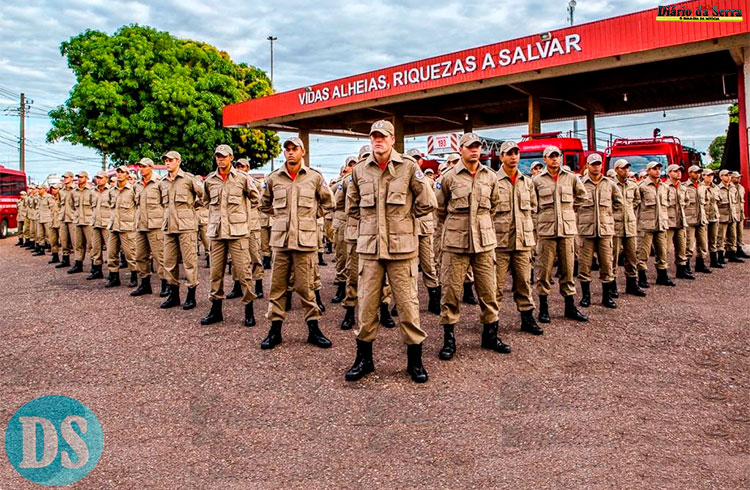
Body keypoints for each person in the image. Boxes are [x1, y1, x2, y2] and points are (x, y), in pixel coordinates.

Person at [344, 120, 434, 383]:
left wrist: (404, 221)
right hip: (370, 250)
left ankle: (414, 362)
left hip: (402, 250)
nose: (378, 141)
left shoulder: (408, 167)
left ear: (393, 139)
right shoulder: (360, 171)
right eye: (374, 137)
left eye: (383, 137)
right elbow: (352, 207)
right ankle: (364, 360)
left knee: (408, 307)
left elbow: (427, 202)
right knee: (367, 307)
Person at [435, 132, 510, 361]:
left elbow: (494, 206)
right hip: (456, 243)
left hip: (484, 242)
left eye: (477, 147)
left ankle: (490, 335)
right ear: (461, 150)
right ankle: (449, 340)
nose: (475, 150)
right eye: (470, 147)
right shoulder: (449, 177)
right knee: (451, 291)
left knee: (489, 290)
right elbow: (439, 209)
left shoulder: (490, 176)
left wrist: (481, 225)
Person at [258, 137, 334, 349]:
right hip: (281, 243)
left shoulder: (314, 178)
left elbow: (329, 203)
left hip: (305, 242)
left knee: (306, 287)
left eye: (294, 149)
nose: (290, 153)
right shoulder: (274, 178)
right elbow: (264, 204)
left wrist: (310, 217)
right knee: (277, 287)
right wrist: (281, 217)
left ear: (303, 152)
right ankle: (275, 331)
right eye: (287, 149)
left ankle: (314, 330)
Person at [200, 145, 259, 327]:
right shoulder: (210, 180)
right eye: (218, 156)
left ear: (231, 158)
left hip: (237, 232)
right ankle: (216, 310)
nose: (221, 160)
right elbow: (205, 200)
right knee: (215, 273)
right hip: (217, 233)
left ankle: (249, 310)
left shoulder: (242, 178)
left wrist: (243, 218)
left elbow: (256, 198)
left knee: (243, 272)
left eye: (224, 157)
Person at [338, 145, 396, 330]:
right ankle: (350, 311)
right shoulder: (351, 179)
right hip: (357, 235)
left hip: (381, 234)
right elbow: (341, 204)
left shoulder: (387, 175)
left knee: (383, 277)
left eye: (365, 157)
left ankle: (384, 309)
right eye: (360, 158)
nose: (363, 161)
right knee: (354, 275)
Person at [533, 145, 588, 323]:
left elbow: (582, 196)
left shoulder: (571, 178)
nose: (555, 159)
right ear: (545, 159)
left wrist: (569, 211)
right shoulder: (537, 181)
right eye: (551, 156)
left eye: (557, 156)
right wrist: (539, 220)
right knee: (544, 271)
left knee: (568, 270)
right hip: (546, 231)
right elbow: (532, 204)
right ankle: (543, 308)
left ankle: (570, 307)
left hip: (566, 231)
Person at [493, 141, 542, 335]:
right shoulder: (493, 181)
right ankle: (492, 323)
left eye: (516, 153)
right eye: (509, 153)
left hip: (522, 242)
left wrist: (531, 235)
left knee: (523, 282)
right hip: (500, 242)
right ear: (501, 157)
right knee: (495, 286)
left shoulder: (526, 181)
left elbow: (533, 209)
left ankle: (527, 318)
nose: (513, 156)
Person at [159, 150, 204, 309]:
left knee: (189, 261)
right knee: (169, 262)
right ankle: (173, 295)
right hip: (169, 226)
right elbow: (161, 203)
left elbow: (204, 195)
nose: (167, 163)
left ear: (178, 161)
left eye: (170, 160)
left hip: (186, 226)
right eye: (166, 160)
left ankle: (191, 295)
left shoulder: (188, 179)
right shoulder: (162, 182)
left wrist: (192, 208)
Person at [576, 154, 622, 309]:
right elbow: (572, 204)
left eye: (598, 164)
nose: (596, 167)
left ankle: (607, 297)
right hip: (586, 230)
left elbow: (619, 203)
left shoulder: (609, 184)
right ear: (587, 165)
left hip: (605, 230)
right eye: (593, 164)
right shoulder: (580, 183)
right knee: (584, 266)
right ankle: (586, 296)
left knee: (607, 265)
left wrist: (608, 217)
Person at [406, 148, 441, 315]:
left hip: (425, 227)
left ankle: (434, 299)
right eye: (412, 157)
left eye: (417, 158)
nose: (415, 160)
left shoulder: (427, 180)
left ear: (420, 161)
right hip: (407, 229)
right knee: (407, 269)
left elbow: (432, 203)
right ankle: (404, 303)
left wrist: (413, 214)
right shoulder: (403, 177)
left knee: (429, 265)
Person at [132, 158, 169, 297]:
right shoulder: (137, 185)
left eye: (144, 167)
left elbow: (165, 204)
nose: (141, 169)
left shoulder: (159, 183)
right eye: (140, 167)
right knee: (140, 256)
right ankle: (144, 284)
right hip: (141, 225)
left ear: (151, 168)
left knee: (160, 256)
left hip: (156, 225)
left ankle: (165, 284)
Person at [636, 162, 673, 288]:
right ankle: (642, 277)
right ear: (648, 171)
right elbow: (636, 204)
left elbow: (667, 203)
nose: (657, 171)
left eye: (659, 169)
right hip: (646, 224)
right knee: (643, 253)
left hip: (661, 223)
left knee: (662, 252)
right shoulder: (641, 186)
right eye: (654, 169)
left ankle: (662, 276)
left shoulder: (664, 187)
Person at [611, 159, 645, 296]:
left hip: (630, 224)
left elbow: (636, 200)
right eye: (623, 168)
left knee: (631, 256)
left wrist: (629, 210)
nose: (626, 170)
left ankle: (632, 284)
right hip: (615, 224)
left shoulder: (632, 185)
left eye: (627, 168)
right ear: (616, 170)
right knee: (612, 257)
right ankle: (611, 285)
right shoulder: (610, 184)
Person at [105, 166, 138, 287]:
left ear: (127, 175)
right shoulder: (112, 191)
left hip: (127, 226)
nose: (119, 174)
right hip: (114, 225)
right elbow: (110, 204)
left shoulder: (132, 190)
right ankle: (114, 277)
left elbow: (137, 206)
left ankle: (134, 276)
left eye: (122, 172)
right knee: (111, 253)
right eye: (118, 172)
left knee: (130, 254)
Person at [664, 164, 694, 279]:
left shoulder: (682, 187)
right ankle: (663, 272)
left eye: (680, 171)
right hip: (669, 222)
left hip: (681, 221)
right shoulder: (665, 187)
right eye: (675, 171)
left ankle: (681, 270)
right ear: (669, 173)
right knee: (665, 249)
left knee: (682, 248)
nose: (679, 173)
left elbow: (686, 202)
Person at [683, 165, 711, 274]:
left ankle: (700, 264)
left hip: (701, 218)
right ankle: (686, 265)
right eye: (695, 172)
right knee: (689, 244)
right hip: (690, 219)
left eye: (699, 172)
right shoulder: (684, 186)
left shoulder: (702, 186)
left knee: (703, 244)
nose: (697, 174)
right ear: (690, 173)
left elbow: (707, 200)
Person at [68, 171, 94, 274]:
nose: (79, 179)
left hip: (88, 221)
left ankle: (94, 265)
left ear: (86, 178)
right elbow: (72, 205)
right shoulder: (74, 192)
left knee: (91, 244)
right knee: (78, 244)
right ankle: (78, 264)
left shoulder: (91, 191)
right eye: (78, 177)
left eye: (82, 177)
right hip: (78, 220)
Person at [716, 169, 743, 263]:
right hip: (722, 216)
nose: (728, 177)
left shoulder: (733, 188)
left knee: (732, 236)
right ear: (721, 177)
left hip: (732, 216)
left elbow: (735, 202)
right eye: (726, 175)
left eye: (729, 175)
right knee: (721, 237)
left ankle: (732, 254)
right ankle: (720, 256)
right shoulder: (717, 189)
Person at [87, 171, 110, 280]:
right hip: (95, 223)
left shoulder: (111, 191)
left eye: (101, 178)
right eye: (97, 178)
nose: (98, 180)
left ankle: (112, 272)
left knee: (110, 249)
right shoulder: (93, 192)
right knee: (95, 248)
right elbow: (92, 205)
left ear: (106, 179)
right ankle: (97, 270)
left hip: (106, 224)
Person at [703, 169, 723, 268]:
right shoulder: (700, 187)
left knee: (713, 239)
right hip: (703, 216)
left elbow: (719, 201)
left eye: (712, 175)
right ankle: (700, 262)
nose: (710, 177)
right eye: (708, 175)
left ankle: (714, 261)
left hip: (714, 216)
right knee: (701, 241)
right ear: (703, 176)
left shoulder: (716, 188)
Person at [57, 171, 76, 269]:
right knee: (63, 240)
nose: (65, 179)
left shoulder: (76, 190)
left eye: (67, 177)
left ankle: (78, 262)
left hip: (73, 218)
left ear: (72, 178)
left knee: (75, 242)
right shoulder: (61, 191)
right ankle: (65, 259)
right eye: (64, 177)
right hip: (63, 218)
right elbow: (60, 204)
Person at [730, 171, 749, 258]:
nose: (738, 179)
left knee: (740, 232)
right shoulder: (729, 188)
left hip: (740, 213)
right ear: (732, 178)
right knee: (732, 234)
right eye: (736, 177)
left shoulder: (741, 188)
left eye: (739, 177)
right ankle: (731, 251)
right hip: (732, 214)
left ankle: (740, 248)